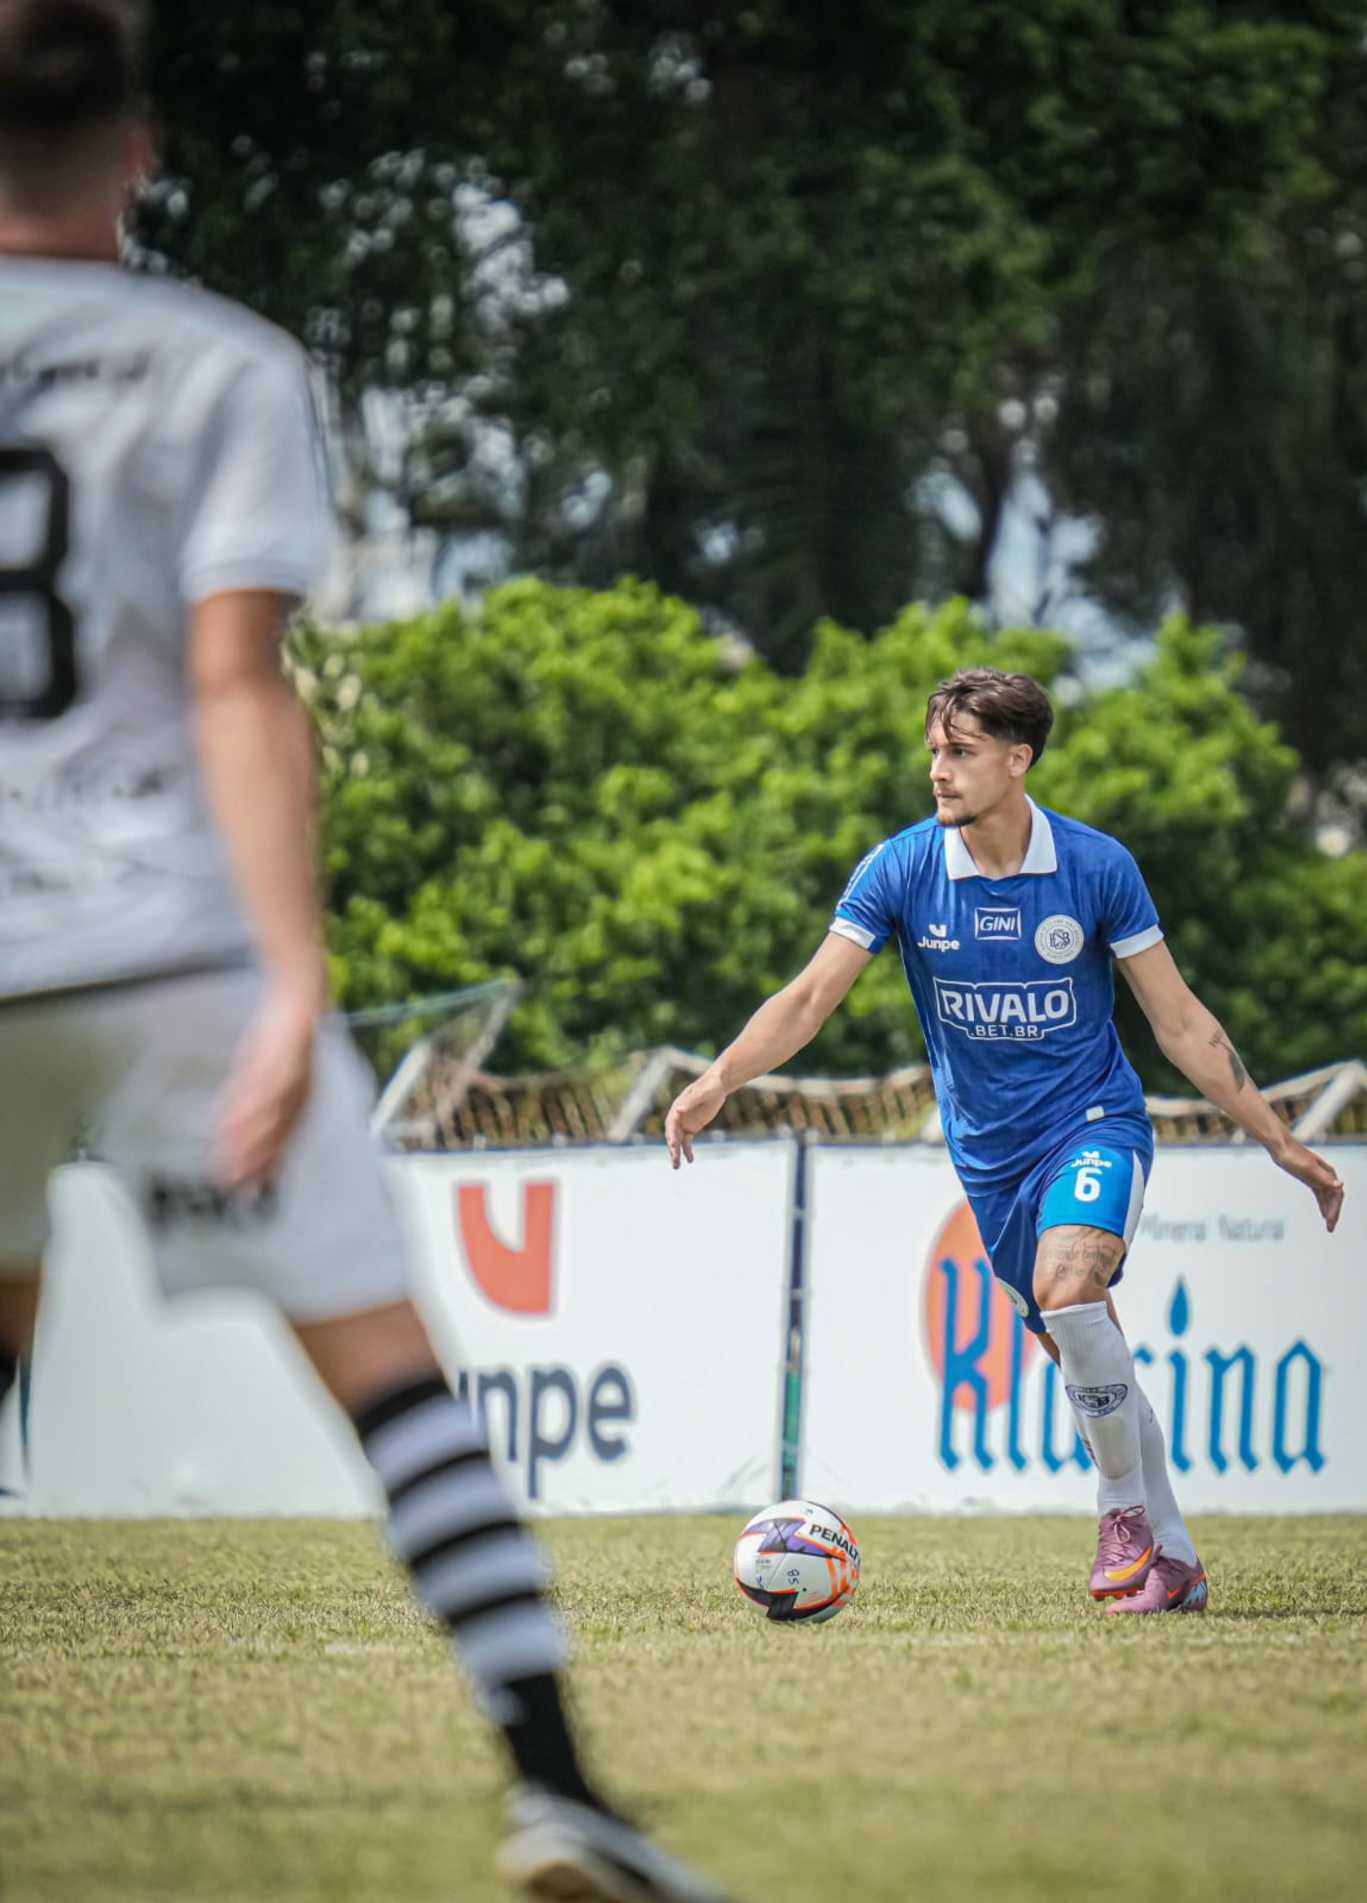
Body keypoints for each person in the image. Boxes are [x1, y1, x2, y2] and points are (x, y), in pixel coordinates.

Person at [0, 4, 730, 1895]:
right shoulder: (220, 362)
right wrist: (296, 978)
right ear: (141, 150)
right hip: (167, 942)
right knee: (395, 1382)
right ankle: (560, 1785)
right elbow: (241, 684)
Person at [666, 666, 1344, 1614]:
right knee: (1084, 1345)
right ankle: (1176, 1561)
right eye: (935, 750)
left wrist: (1279, 1140)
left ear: (1018, 760)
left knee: (1073, 1289)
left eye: (961, 752)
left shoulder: (1097, 867)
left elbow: (1181, 1024)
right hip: (990, 1162)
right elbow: (812, 997)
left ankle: (1121, 1512)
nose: (938, 770)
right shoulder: (900, 868)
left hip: (1095, 1121)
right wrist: (718, 1078)